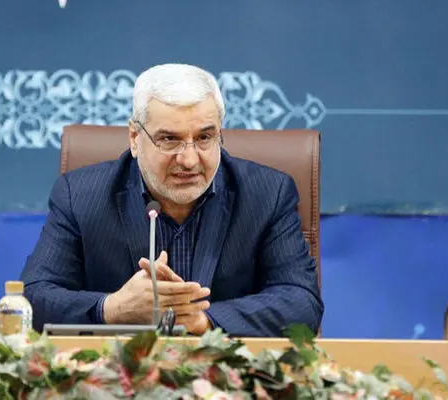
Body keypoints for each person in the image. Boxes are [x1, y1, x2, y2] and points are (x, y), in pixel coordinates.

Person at [20, 63, 323, 337]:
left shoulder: (267, 194)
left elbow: (302, 302)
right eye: (169, 139)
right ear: (135, 138)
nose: (189, 160)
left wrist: (203, 320)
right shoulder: (81, 195)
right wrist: (111, 308)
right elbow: (32, 298)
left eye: (204, 138)